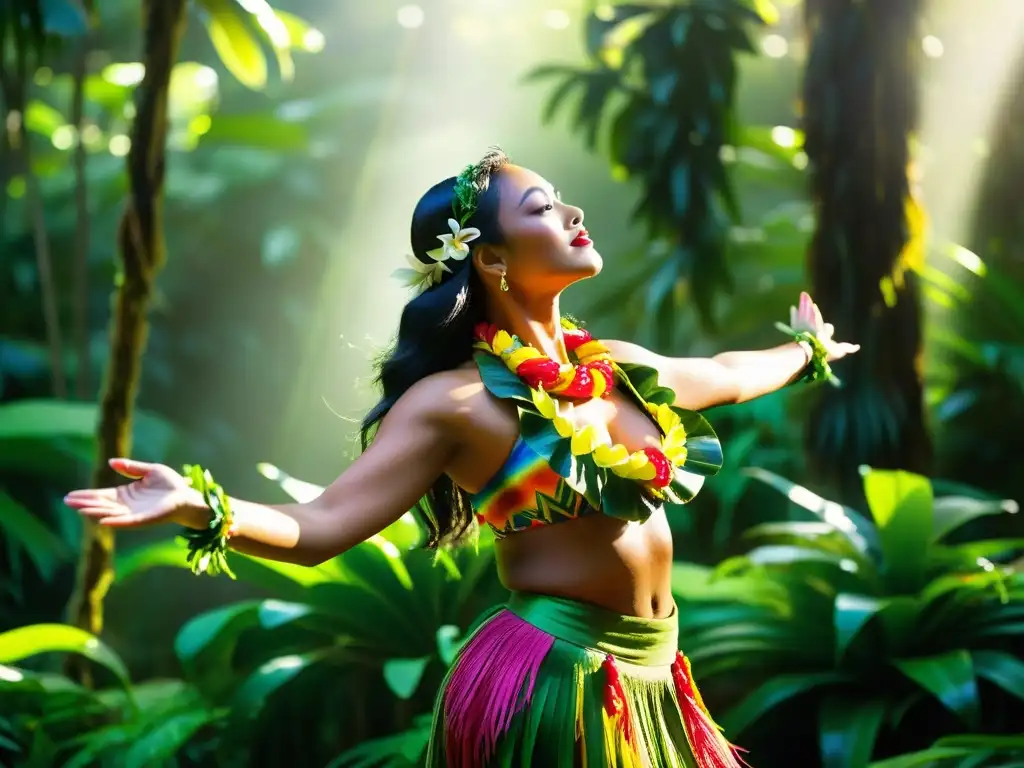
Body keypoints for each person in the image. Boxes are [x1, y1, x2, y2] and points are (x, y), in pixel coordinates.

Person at [64, 148, 859, 767]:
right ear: (492, 260)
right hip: (559, 680)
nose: (575, 212)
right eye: (545, 207)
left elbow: (723, 375)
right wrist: (203, 507)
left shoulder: (615, 365)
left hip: (656, 674)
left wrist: (807, 350)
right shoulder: (452, 404)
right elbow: (322, 526)